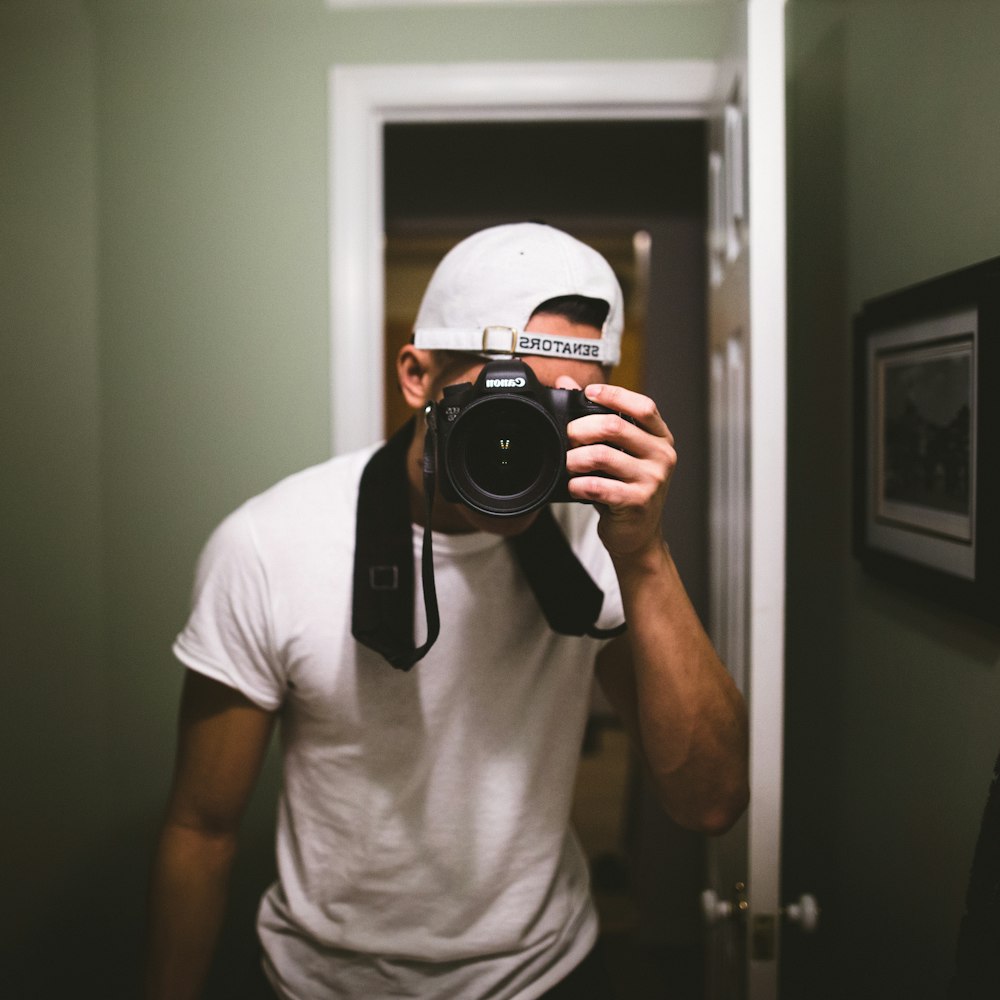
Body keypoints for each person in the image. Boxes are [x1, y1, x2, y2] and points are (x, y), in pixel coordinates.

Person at [145, 222, 749, 999]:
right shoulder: (270, 545)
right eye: (509, 401)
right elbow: (200, 830)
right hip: (320, 983)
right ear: (416, 376)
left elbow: (711, 802)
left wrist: (645, 555)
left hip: (544, 972)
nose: (524, 437)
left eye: (559, 409)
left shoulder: (600, 535)